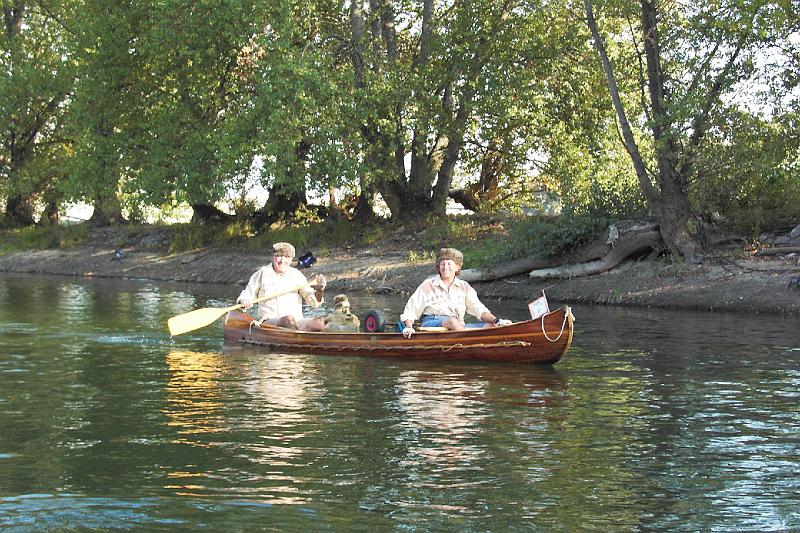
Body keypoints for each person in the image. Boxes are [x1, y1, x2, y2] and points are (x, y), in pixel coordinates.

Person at [399, 247, 510, 338]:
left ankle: (472, 341)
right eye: (442, 264)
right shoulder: (427, 285)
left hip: (458, 326)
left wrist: (497, 321)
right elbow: (411, 310)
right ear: (439, 267)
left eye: (449, 264)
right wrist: (409, 327)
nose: (445, 267)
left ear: (457, 267)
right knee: (453, 321)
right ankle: (470, 344)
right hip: (432, 322)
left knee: (490, 326)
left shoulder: (464, 287)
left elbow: (480, 310)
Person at [237, 242, 327, 331]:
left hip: (297, 322)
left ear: (291, 259)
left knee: (319, 323)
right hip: (269, 322)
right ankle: (298, 340)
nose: (282, 261)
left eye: (287, 257)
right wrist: (244, 301)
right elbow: (246, 295)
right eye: (279, 256)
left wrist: (320, 290)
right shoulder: (262, 273)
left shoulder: (297, 275)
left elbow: (314, 303)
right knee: (287, 320)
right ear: (273, 257)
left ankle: (302, 338)